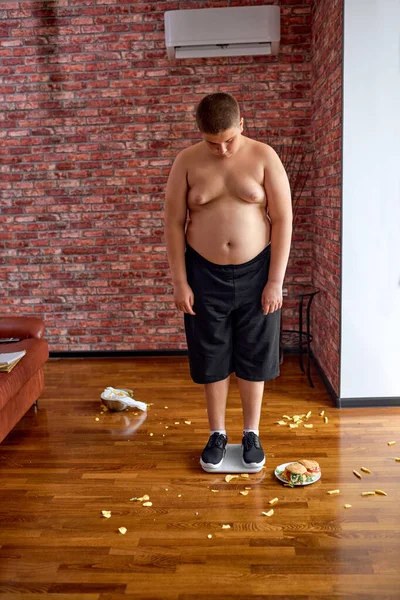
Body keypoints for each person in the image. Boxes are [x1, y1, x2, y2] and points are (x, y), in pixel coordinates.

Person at [164, 92, 292, 470]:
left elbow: (283, 218)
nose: (221, 150)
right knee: (211, 351)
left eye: (229, 140)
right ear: (200, 133)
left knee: (255, 351)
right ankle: (217, 433)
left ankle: (251, 432)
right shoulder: (186, 161)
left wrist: (275, 281)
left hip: (257, 271)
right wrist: (179, 281)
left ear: (242, 123)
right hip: (203, 271)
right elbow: (173, 223)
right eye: (211, 142)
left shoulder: (264, 156)